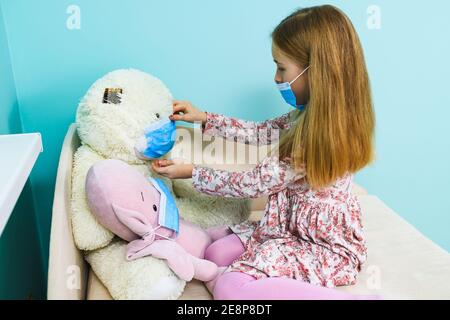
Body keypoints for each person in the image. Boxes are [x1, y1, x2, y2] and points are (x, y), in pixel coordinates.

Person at [151, 5, 380, 300]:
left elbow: (254, 183)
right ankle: (238, 276)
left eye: (282, 68)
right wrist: (205, 118)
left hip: (321, 248)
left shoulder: (317, 139)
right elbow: (260, 131)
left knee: (229, 288)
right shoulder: (304, 116)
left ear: (318, 72)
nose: (275, 78)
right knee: (216, 252)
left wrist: (192, 172)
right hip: (288, 230)